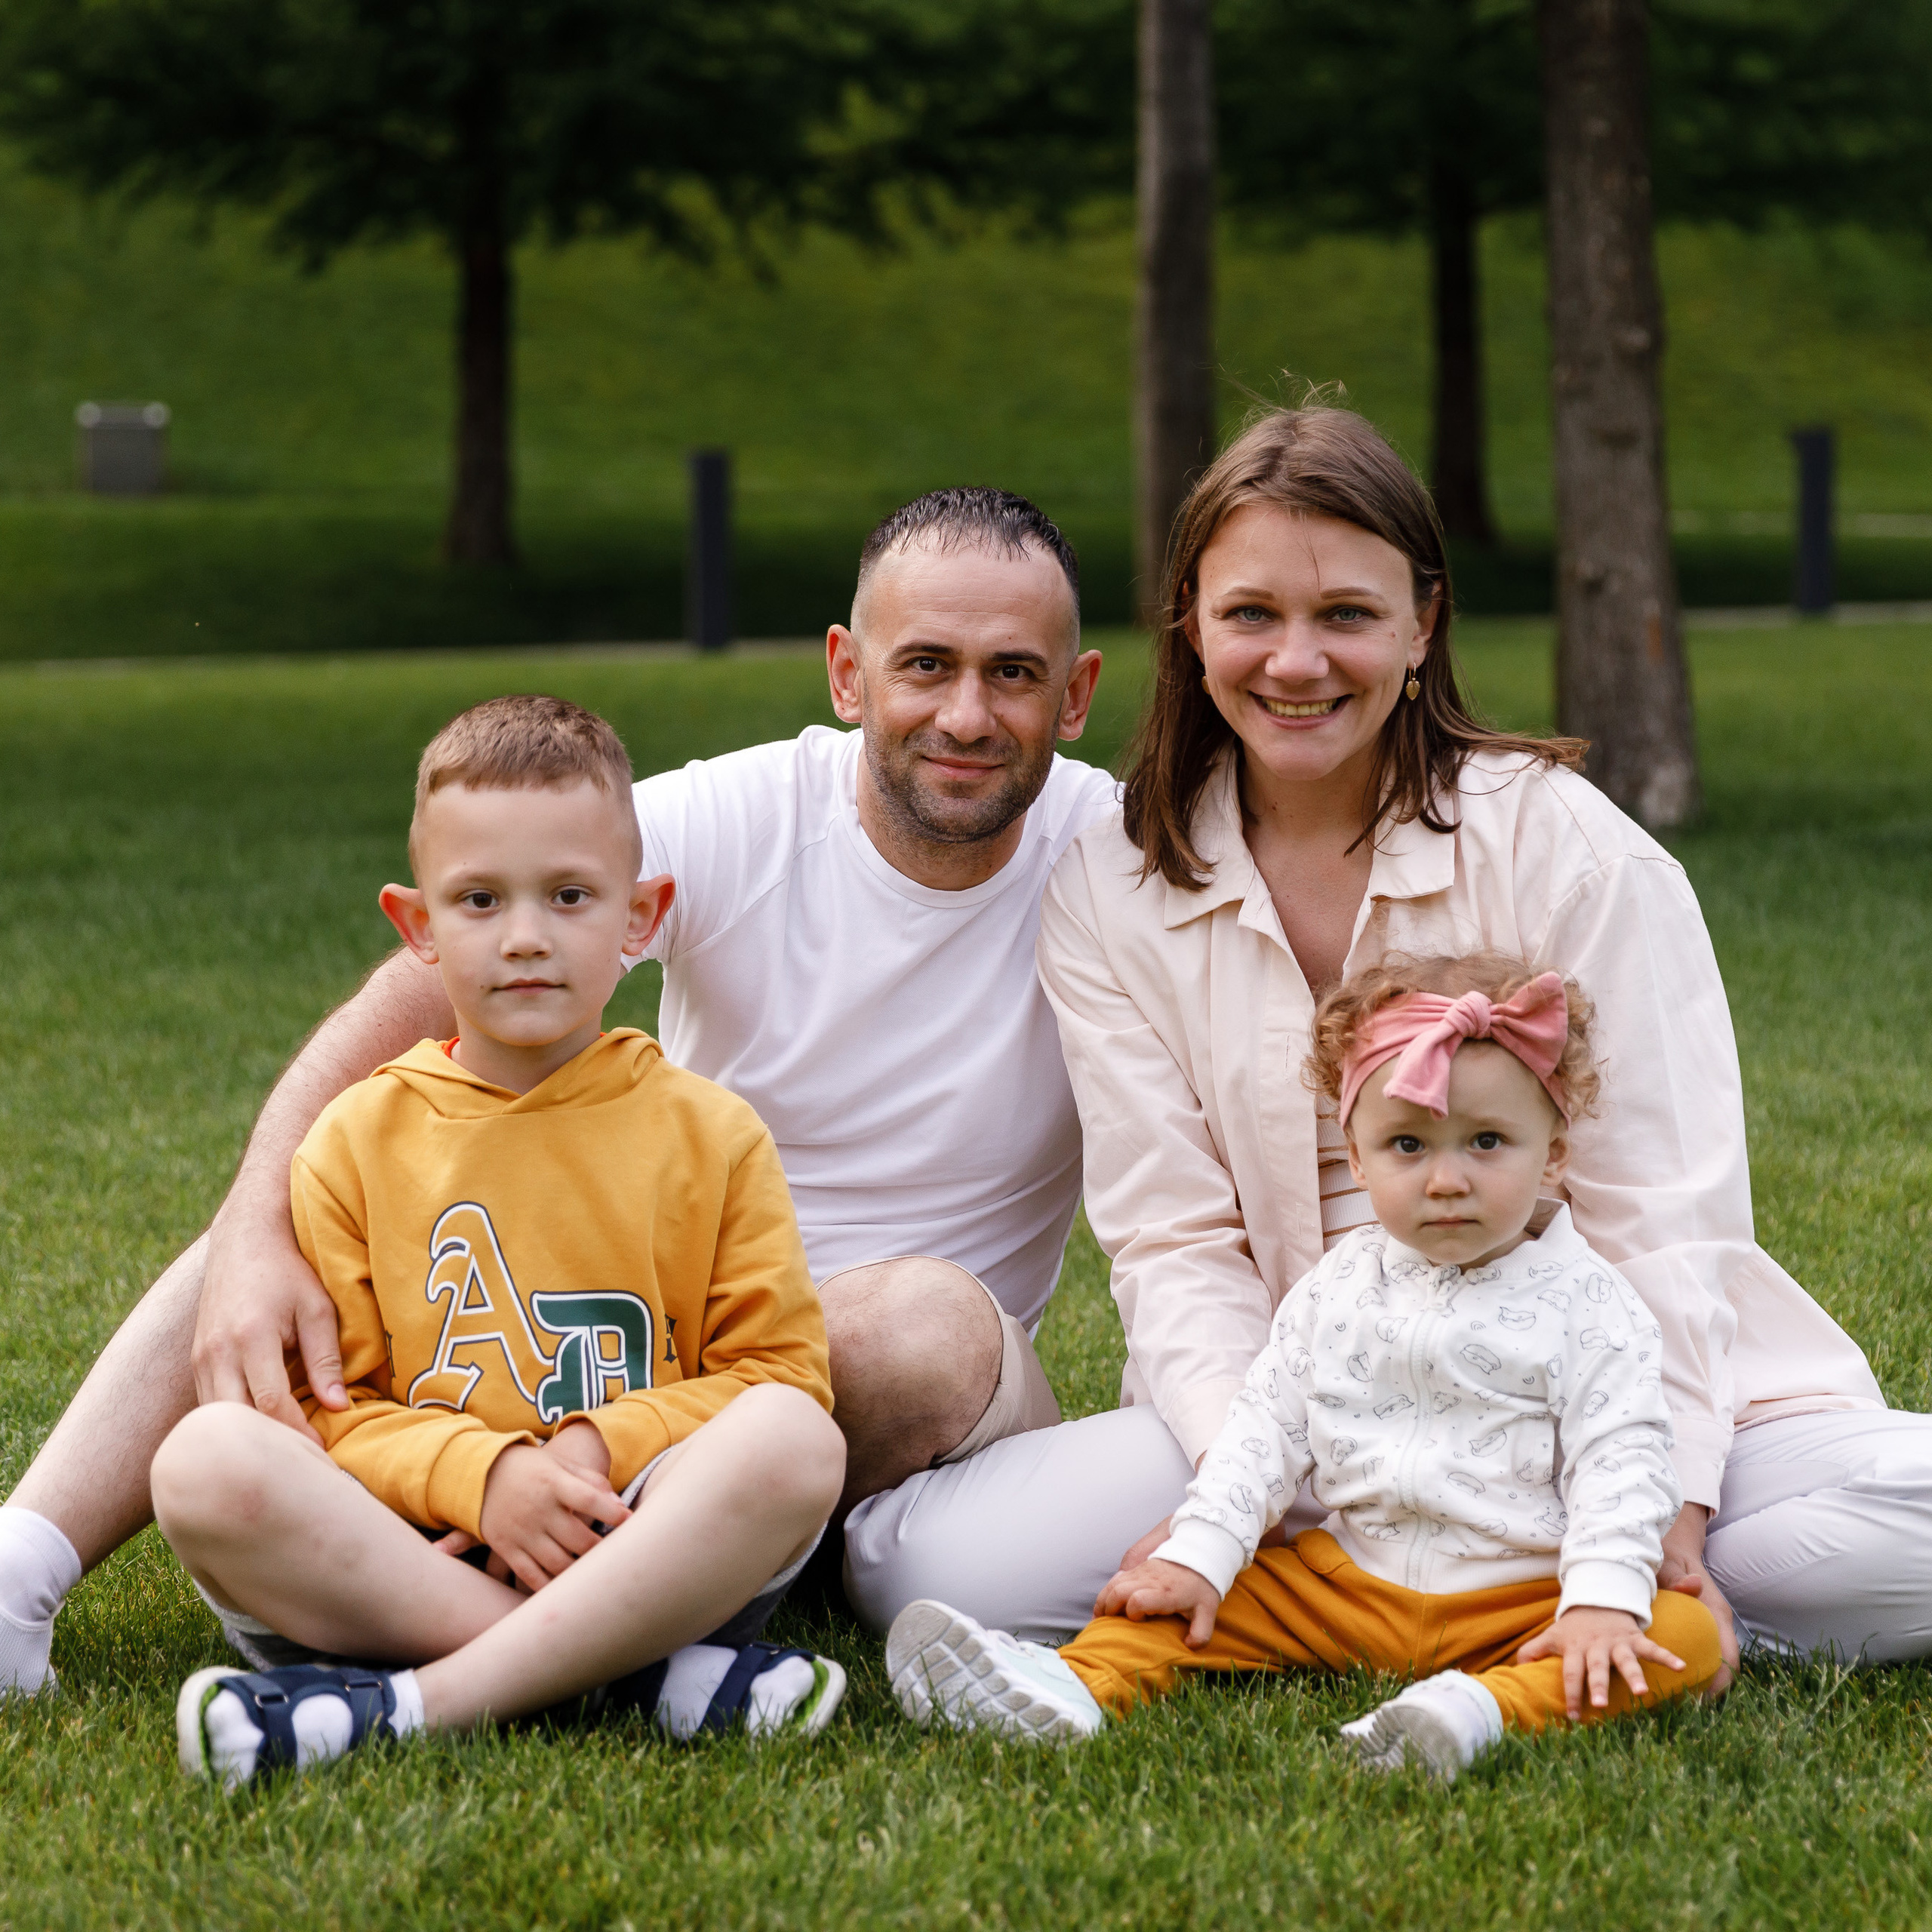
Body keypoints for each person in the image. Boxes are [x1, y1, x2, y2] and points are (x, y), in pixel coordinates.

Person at [1, 485, 1150, 1694]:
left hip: (872, 1408)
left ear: (1075, 695)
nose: (965, 715)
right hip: (636, 1357)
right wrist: (253, 1226)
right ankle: (24, 1565)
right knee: (274, 1222)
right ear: (847, 674)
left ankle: (564, 1576)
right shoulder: (743, 815)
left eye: (1012, 674)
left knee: (912, 1330)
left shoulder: (1129, 862)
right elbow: (444, 970)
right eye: (925, 665)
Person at [928, 402, 1924, 1666]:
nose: (1297, 662)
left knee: (1903, 1521)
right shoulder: (1110, 885)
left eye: (1347, 613)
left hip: (1588, 1399)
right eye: (1252, 614)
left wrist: (1666, 1509)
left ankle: (1538, 1582)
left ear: (1422, 624)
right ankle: (1445, 1588)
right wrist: (1239, 1495)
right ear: (1190, 623)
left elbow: (1667, 1220)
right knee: (937, 1564)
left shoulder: (1567, 848)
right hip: (1296, 1418)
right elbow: (1174, 1242)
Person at [159, 694, 847, 1788]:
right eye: (480, 899)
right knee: (204, 1460)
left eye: (570, 895)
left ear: (641, 915)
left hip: (631, 1538)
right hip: (410, 1557)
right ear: (418, 927)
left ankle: (410, 1704)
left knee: (795, 1439)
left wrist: (590, 1452)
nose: (525, 935)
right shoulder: (354, 1139)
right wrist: (481, 1479)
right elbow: (330, 1411)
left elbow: (778, 1374)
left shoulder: (712, 1134)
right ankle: (636, 1676)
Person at [885, 955, 1724, 1777]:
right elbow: (1264, 1429)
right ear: (1356, 1158)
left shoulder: (1589, 1302)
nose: (1446, 1179)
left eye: (1487, 1142)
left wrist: (1600, 1599)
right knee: (1176, 1594)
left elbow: (1621, 1459)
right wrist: (1200, 1550)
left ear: (1553, 1153)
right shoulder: (1338, 1288)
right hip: (1342, 1583)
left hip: (1519, 1595)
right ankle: (1071, 1682)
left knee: (1680, 1636)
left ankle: (1479, 1710)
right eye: (1408, 1144)